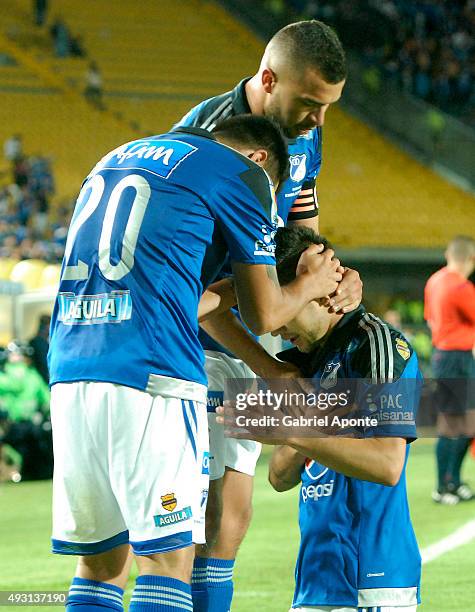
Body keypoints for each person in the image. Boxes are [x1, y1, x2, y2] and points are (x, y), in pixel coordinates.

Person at [48, 116, 343, 612]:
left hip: (72, 367)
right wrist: (310, 285)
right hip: (154, 373)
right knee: (166, 565)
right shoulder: (240, 174)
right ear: (259, 161)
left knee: (99, 567)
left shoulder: (116, 157)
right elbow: (265, 313)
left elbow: (185, 295)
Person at [175, 19, 362, 611]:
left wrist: (331, 273)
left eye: (328, 106)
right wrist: (270, 360)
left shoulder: (302, 130)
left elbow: (302, 218)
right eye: (310, 103)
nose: (318, 120)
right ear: (266, 78)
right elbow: (196, 289)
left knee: (232, 518)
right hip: (193, 337)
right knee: (188, 521)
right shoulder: (208, 141)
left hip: (247, 328)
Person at [237, 226, 422, 611]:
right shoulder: (300, 363)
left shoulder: (376, 345)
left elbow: (388, 465)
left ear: (315, 290)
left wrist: (294, 431)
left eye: (284, 302)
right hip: (315, 579)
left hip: (370, 579)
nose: (274, 323)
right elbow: (280, 477)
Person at [424, 235, 475, 504]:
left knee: (463, 423)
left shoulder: (434, 282)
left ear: (448, 254)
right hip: (458, 358)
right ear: (470, 259)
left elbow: (430, 320)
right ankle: (444, 486)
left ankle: (453, 482)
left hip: (443, 356)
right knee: (455, 423)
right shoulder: (461, 288)